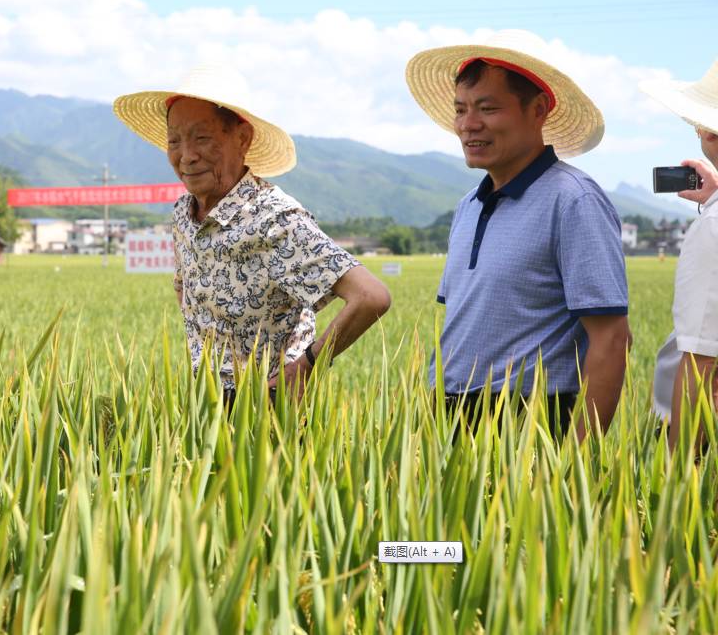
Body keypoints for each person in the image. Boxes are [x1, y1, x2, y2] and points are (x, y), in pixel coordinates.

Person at [113, 64, 391, 398]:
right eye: (174, 141)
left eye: (202, 138)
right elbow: (184, 290)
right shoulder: (184, 214)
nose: (186, 156)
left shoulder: (275, 219)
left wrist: (307, 365)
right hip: (203, 402)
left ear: (242, 138)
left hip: (268, 408)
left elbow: (371, 297)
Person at [405, 31, 630, 440]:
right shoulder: (467, 207)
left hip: (531, 419)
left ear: (538, 109)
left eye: (487, 108)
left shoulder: (573, 200)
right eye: (461, 110)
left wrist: (574, 459)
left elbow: (613, 340)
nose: (469, 124)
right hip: (448, 414)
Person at [642, 60, 718, 451]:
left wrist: (675, 480)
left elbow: (699, 361)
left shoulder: (714, 226)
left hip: (702, 436)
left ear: (707, 132)